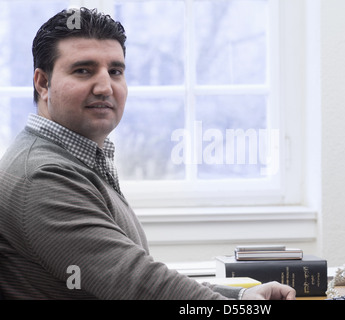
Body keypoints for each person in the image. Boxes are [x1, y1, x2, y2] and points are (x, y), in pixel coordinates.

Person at [0, 7, 295, 300]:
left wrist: (239, 297)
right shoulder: (42, 176)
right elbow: (137, 284)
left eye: (115, 71)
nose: (105, 87)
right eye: (83, 70)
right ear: (43, 83)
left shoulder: (73, 159)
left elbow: (132, 275)